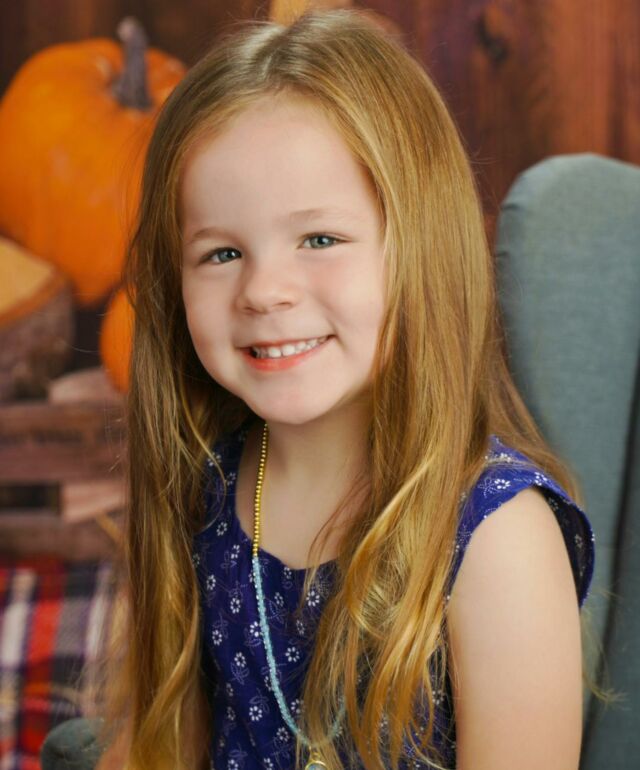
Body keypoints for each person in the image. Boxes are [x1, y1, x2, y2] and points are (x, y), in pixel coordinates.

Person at [90, 8, 597, 770]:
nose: (264, 290)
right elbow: (158, 747)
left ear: (418, 247)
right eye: (222, 252)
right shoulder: (208, 487)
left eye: (320, 239)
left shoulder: (497, 540)